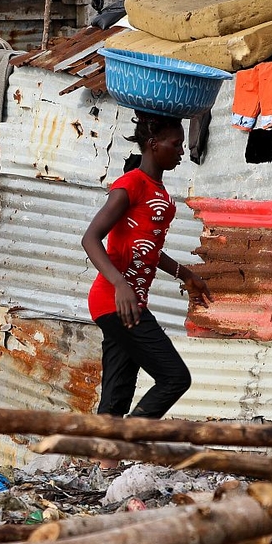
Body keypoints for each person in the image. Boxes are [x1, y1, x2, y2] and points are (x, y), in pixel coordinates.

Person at [82, 111, 213, 432]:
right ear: (154, 145)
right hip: (115, 301)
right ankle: (129, 438)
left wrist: (185, 274)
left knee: (117, 392)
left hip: (125, 304)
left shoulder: (159, 193)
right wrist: (121, 285)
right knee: (175, 377)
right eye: (176, 144)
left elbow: (148, 248)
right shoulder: (131, 185)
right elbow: (90, 238)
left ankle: (105, 462)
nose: (182, 151)